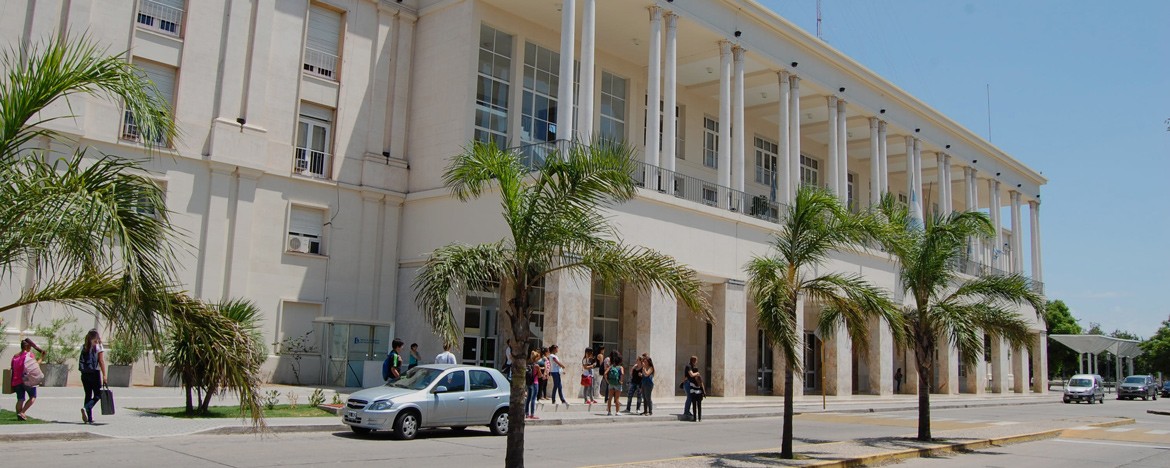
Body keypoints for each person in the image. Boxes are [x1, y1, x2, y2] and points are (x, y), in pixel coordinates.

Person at [11, 338, 44, 421]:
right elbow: (35, 365)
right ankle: (22, 412)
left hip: (16, 380)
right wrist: (42, 357)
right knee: (33, 396)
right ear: (28, 347)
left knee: (20, 399)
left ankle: (19, 416)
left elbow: (12, 367)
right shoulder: (29, 355)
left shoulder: (15, 356)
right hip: (27, 380)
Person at [78, 329, 107, 424]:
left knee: (88, 394)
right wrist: (104, 375)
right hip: (94, 373)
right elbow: (101, 361)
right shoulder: (98, 346)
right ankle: (86, 408)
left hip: (84, 373)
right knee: (98, 395)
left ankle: (89, 417)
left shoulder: (83, 347)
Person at [605, 351, 624, 416]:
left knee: (610, 398)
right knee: (617, 399)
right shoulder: (620, 367)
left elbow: (605, 374)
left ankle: (609, 412)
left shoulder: (611, 366)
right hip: (618, 384)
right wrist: (621, 381)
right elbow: (622, 374)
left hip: (611, 384)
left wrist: (608, 381)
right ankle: (617, 411)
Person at [682, 355, 700, 421]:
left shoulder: (693, 367)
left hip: (691, 384)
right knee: (689, 397)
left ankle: (688, 411)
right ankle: (686, 412)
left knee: (691, 397)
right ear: (694, 360)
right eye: (696, 360)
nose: (696, 362)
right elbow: (691, 374)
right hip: (687, 383)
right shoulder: (688, 366)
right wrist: (697, 373)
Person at [525, 349, 541, 419]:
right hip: (535, 382)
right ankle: (532, 414)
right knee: (533, 399)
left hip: (529, 382)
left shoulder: (528, 364)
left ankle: (526, 413)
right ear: (536, 358)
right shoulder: (537, 366)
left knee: (528, 398)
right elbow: (540, 375)